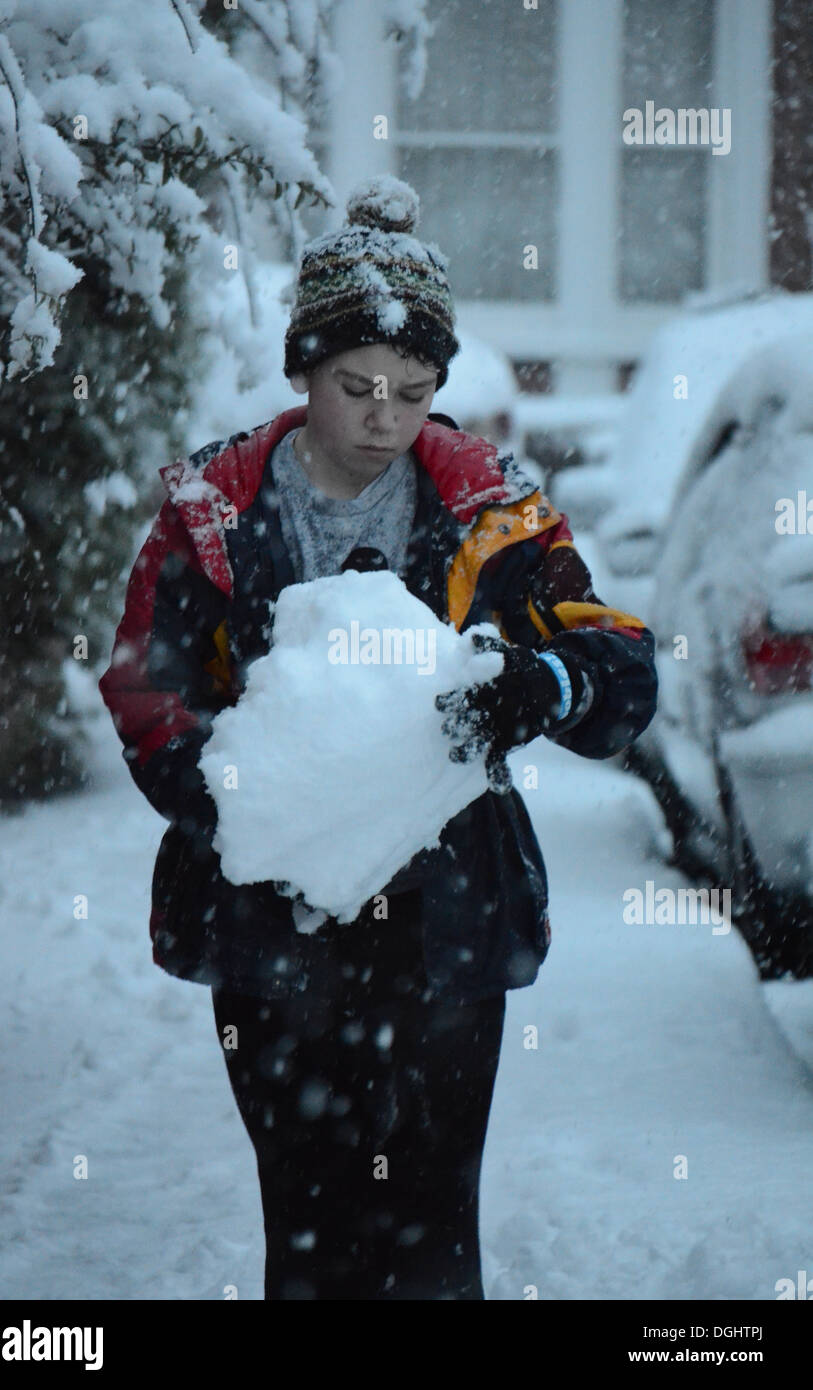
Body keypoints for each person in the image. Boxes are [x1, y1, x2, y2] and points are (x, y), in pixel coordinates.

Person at [98, 174, 659, 1300]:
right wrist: (239, 795)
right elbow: (145, 682)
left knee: (433, 1222)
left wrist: (535, 687)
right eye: (355, 386)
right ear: (302, 369)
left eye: (412, 391)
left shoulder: (489, 508)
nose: (384, 418)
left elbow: (621, 667)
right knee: (307, 1220)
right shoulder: (215, 510)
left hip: (447, 920)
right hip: (272, 925)